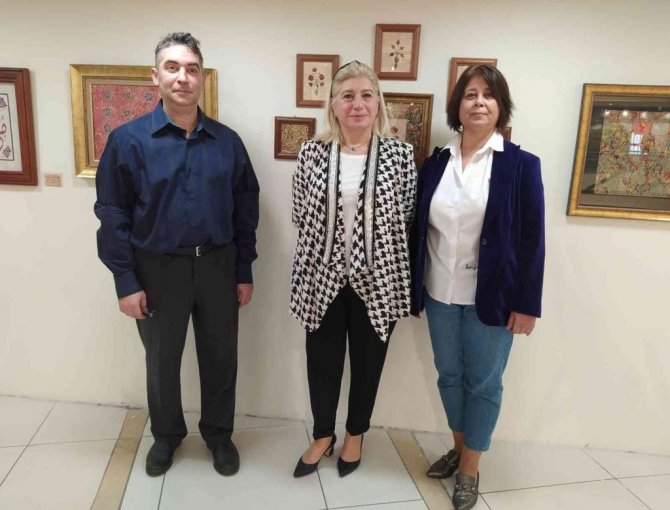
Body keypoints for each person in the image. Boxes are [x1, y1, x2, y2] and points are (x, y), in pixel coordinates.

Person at [94, 32, 259, 477]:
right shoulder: (127, 141)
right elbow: (112, 214)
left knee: (221, 357)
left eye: (191, 69)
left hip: (218, 265)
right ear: (156, 77)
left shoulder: (228, 142)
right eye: (172, 67)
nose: (182, 77)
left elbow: (246, 209)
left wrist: (243, 269)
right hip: (156, 269)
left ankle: (219, 435)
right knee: (161, 361)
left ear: (202, 77)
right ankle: (166, 436)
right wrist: (125, 281)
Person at [410, 64, 544, 510]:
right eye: (470, 94)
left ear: (501, 106)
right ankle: (460, 445)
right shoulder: (436, 163)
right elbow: (420, 230)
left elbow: (533, 240)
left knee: (484, 384)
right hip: (440, 292)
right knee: (449, 376)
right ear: (458, 106)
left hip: (494, 298)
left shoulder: (521, 165)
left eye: (489, 94)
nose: (479, 102)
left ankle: (469, 467)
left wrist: (526, 304)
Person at [290, 61, 416, 478]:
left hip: (378, 281)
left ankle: (355, 434)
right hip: (321, 277)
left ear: (378, 103)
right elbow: (299, 212)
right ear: (333, 105)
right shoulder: (312, 152)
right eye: (348, 96)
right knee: (321, 362)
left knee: (368, 363)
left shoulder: (399, 155)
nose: (357, 104)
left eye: (366, 95)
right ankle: (323, 434)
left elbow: (406, 214)